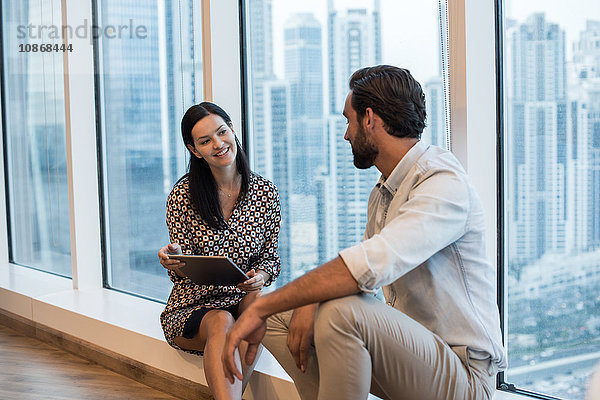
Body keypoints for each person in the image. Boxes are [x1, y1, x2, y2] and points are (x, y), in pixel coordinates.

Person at [222, 65, 507, 400]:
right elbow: (359, 279)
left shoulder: (442, 181)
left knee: (338, 313)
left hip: (465, 378)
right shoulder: (385, 190)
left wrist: (264, 306)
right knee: (278, 318)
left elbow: (365, 268)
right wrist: (294, 302)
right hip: (411, 360)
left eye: (348, 120)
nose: (345, 134)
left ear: (369, 119)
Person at [158, 102, 281, 400]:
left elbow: (270, 257)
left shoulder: (265, 193)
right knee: (221, 321)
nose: (218, 144)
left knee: (257, 307)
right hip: (193, 305)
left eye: (221, 132)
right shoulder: (183, 195)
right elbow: (183, 265)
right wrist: (173, 259)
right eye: (205, 141)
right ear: (194, 150)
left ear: (232, 130)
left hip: (241, 298)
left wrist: (260, 276)